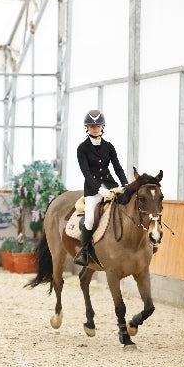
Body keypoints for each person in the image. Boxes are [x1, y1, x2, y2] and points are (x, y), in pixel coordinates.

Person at [74, 109, 129, 267]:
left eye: (98, 125)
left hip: (111, 186)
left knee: (127, 209)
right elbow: (86, 173)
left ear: (103, 126)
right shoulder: (82, 148)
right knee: (90, 219)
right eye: (92, 126)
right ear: (87, 127)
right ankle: (84, 252)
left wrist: (125, 184)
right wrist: (98, 189)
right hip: (93, 190)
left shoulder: (109, 146)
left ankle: (143, 243)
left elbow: (117, 168)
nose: (95, 128)